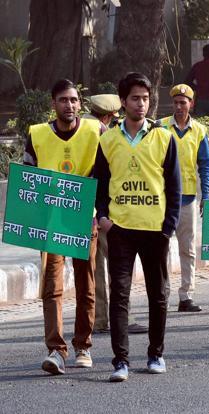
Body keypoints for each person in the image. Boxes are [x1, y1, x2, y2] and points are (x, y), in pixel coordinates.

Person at [94, 72, 181, 382]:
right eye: (135, 98)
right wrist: (103, 215)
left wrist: (169, 225)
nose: (141, 104)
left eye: (145, 98)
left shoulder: (164, 137)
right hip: (120, 229)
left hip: (155, 229)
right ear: (123, 102)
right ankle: (121, 362)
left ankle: (156, 354)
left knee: (159, 294)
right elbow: (100, 184)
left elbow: (174, 184)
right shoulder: (107, 139)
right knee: (119, 294)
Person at [24, 79, 100, 375]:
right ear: (53, 104)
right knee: (52, 287)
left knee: (86, 285)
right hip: (50, 222)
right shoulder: (38, 135)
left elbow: (106, 172)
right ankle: (56, 350)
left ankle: (83, 345)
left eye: (74, 100)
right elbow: (28, 178)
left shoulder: (96, 130)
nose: (69, 105)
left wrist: (101, 212)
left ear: (80, 104)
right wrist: (30, 222)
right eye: (63, 100)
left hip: (84, 218)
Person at [85, 94, 149, 335]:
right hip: (105, 208)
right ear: (109, 116)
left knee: (93, 267)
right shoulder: (105, 133)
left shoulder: (78, 127)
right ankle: (124, 316)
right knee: (119, 264)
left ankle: (98, 318)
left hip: (79, 207)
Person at [159, 84, 209, 312]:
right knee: (160, 247)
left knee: (188, 248)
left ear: (191, 104)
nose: (179, 106)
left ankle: (186, 295)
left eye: (184, 102)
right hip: (162, 198)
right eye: (176, 102)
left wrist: (206, 195)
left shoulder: (199, 131)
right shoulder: (160, 127)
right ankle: (162, 293)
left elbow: (206, 164)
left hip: (188, 198)